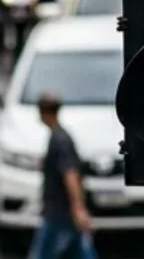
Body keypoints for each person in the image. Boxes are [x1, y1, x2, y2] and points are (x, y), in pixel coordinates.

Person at [30, 93, 92, 259]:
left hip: (58, 211)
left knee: (43, 253)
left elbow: (70, 174)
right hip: (62, 211)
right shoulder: (60, 136)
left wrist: (78, 208)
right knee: (78, 251)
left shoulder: (60, 140)